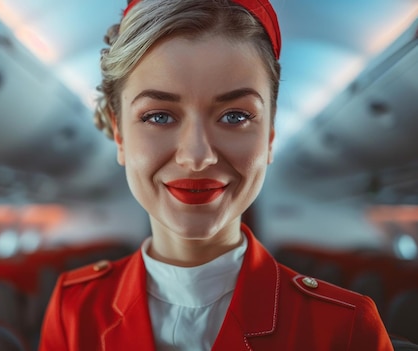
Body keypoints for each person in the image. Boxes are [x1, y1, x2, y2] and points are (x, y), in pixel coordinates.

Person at [39, 0, 394, 350]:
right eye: (159, 116)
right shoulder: (74, 307)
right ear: (119, 135)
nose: (197, 157)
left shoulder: (346, 327)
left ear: (270, 135)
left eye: (235, 116)